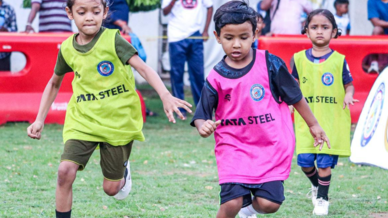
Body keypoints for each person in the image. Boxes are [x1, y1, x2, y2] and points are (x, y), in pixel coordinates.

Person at [26, 0, 192, 217]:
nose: (89, 17)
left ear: (104, 12)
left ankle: (123, 171)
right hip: (83, 120)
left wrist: (165, 94)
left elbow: (143, 68)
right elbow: (54, 83)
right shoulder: (67, 48)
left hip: (117, 122)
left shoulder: (113, 40)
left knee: (111, 189)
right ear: (69, 13)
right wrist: (39, 119)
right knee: (64, 172)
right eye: (82, 12)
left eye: (95, 12)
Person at [190, 2, 330, 218]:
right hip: (233, 147)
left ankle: (249, 210)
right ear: (218, 37)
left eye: (243, 37)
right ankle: (240, 206)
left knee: (270, 204)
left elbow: (295, 97)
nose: (236, 44)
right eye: (229, 38)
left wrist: (314, 125)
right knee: (231, 203)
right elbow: (201, 114)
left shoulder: (271, 64)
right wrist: (203, 125)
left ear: (254, 34)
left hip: (270, 147)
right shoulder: (216, 76)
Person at [292, 9, 358, 216]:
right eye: (314, 27)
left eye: (325, 27)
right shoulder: (298, 59)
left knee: (323, 163)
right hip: (305, 123)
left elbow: (349, 84)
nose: (319, 31)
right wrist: (286, 101)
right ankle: (316, 186)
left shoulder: (339, 60)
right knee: (304, 161)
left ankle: (322, 198)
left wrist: (348, 95)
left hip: (330, 121)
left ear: (335, 32)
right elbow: (292, 87)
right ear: (306, 31)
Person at [162, 0, 213, 117]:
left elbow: (210, 7)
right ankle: (179, 109)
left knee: (198, 74)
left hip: (195, 35)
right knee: (176, 74)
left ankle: (203, 110)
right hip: (176, 37)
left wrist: (205, 30)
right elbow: (165, 12)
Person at [367, 0, 388, 74]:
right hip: (382, 36)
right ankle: (374, 64)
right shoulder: (372, 1)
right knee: (377, 30)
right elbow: (375, 22)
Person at [0, 0, 17, 71]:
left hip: (4, 53)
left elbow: (15, 29)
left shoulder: (9, 8)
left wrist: (6, 31)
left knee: (4, 80)